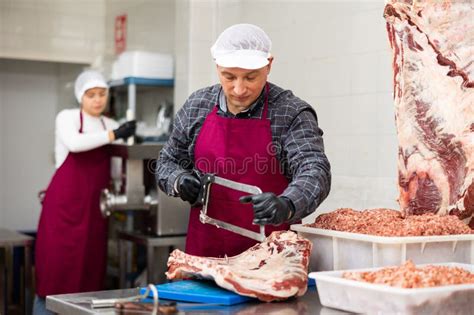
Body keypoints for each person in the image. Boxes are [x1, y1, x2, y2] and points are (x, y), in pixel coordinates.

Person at [155, 23, 331, 258]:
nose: (239, 89)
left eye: (250, 77)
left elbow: (315, 170)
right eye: (229, 77)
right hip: (205, 256)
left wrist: (288, 204)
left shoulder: (290, 112)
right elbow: (167, 162)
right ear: (218, 67)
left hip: (272, 258)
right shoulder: (197, 106)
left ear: (268, 65)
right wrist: (178, 180)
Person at [33, 70, 136, 314]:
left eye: (102, 94)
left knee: (88, 272)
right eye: (91, 95)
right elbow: (76, 143)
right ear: (81, 96)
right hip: (63, 209)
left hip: (94, 209)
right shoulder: (67, 118)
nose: (98, 99)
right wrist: (115, 134)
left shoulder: (108, 124)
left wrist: (130, 135)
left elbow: (122, 158)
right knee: (55, 272)